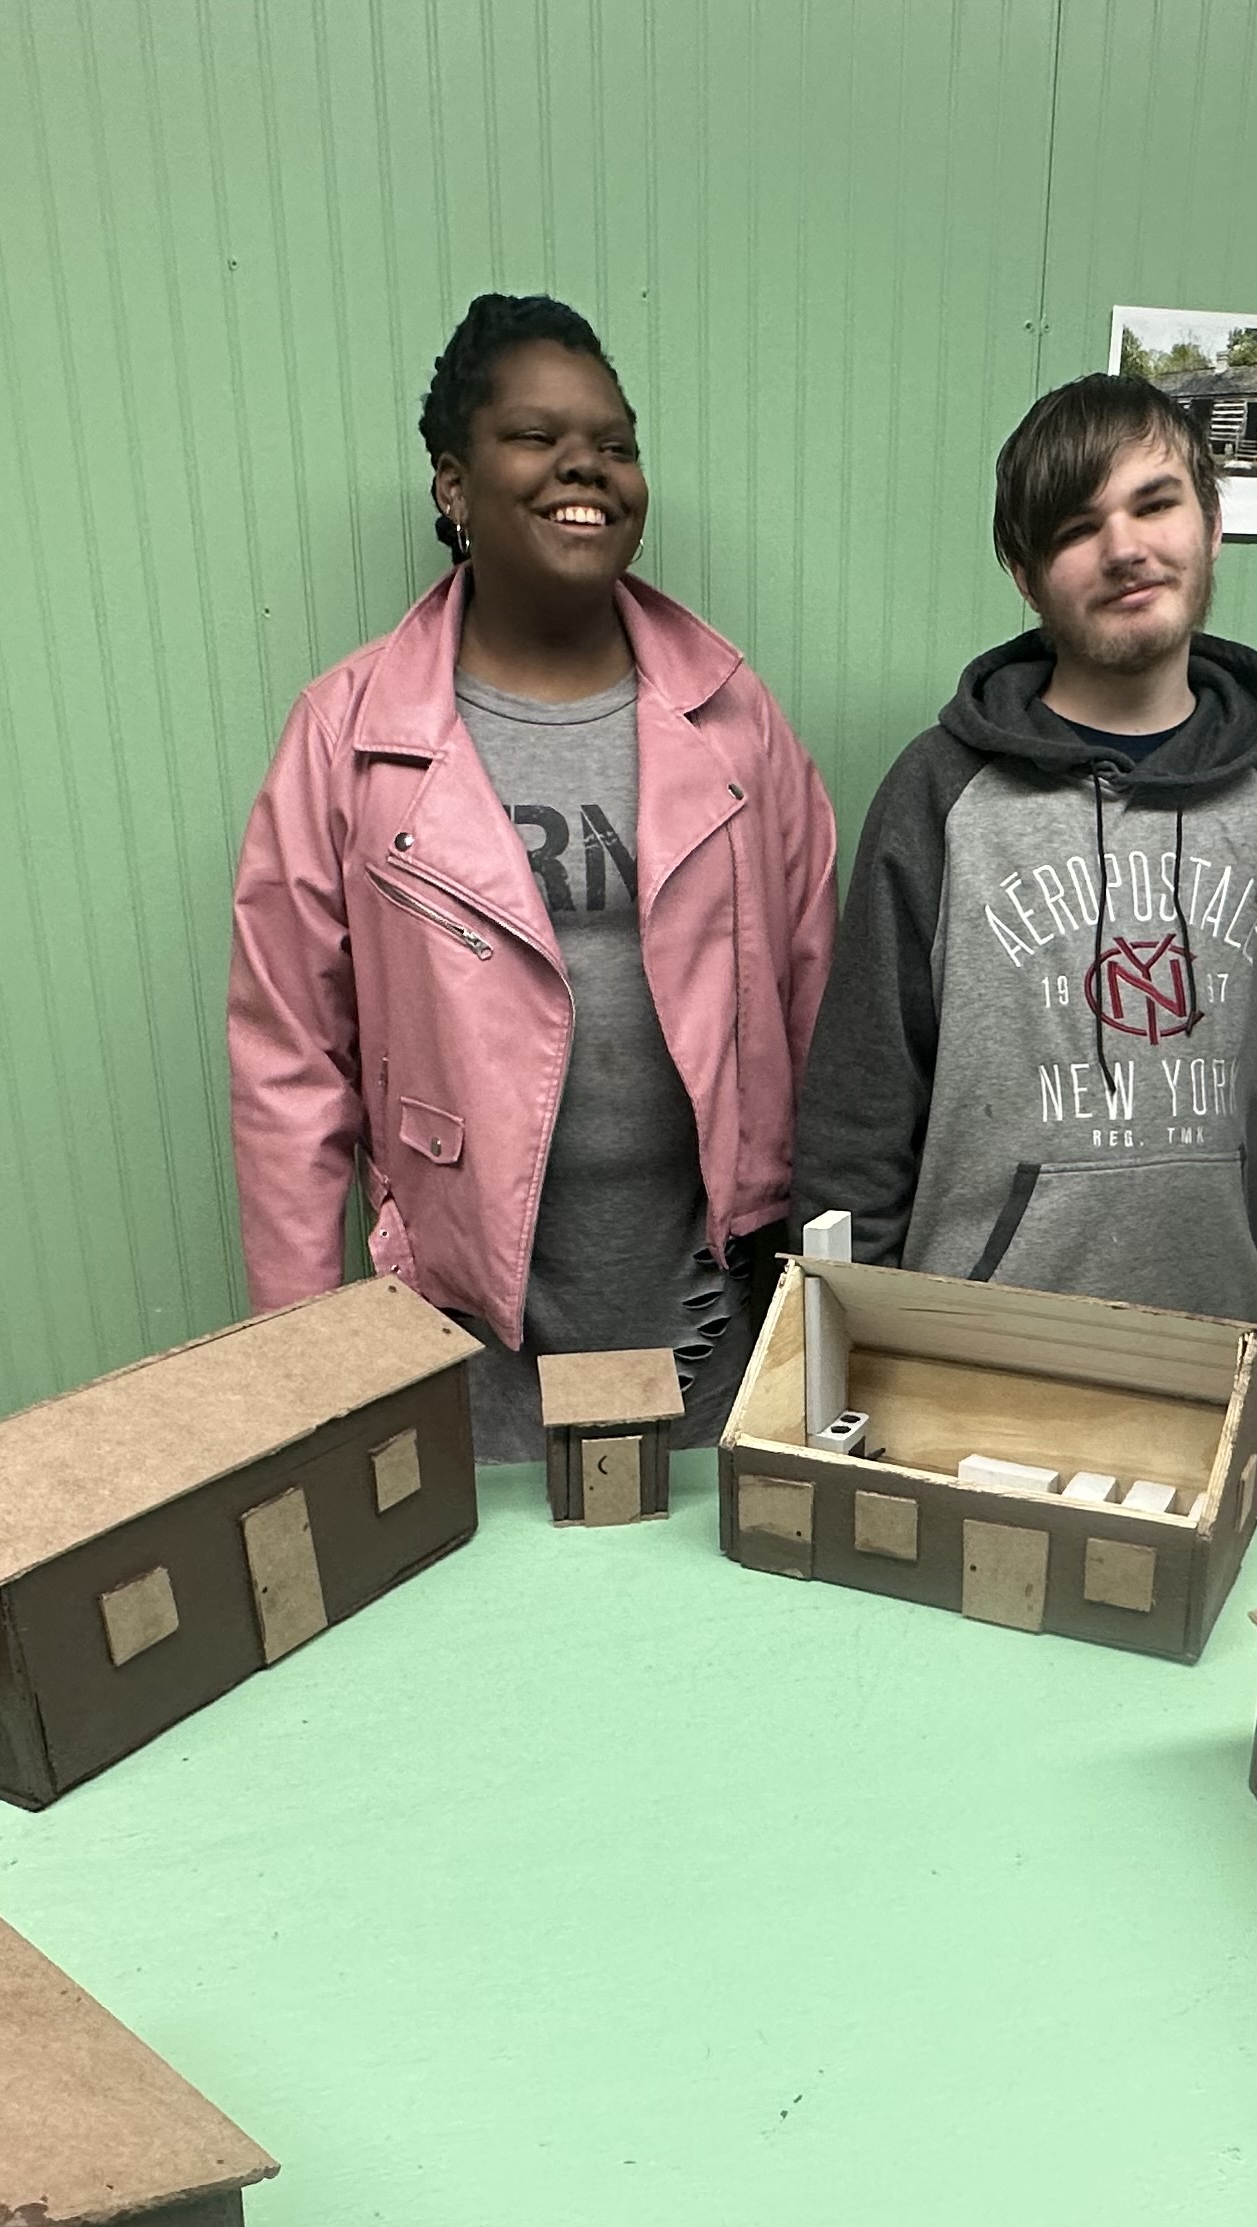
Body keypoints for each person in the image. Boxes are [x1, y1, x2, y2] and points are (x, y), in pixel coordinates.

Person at [227, 294, 837, 1460]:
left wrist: (826, 1283)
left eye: (616, 444)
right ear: (453, 485)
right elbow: (289, 1068)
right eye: (536, 438)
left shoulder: (733, 715)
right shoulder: (350, 735)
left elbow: (815, 997)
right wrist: (307, 1372)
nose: (586, 468)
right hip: (466, 1327)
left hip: (718, 1306)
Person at [793, 372, 1257, 1323]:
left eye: (1155, 504)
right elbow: (859, 1110)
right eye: (1078, 529)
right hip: (977, 1357)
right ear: (1026, 574)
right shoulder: (941, 792)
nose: (1125, 548)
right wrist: (845, 1341)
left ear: (1211, 524)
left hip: (1231, 1349)